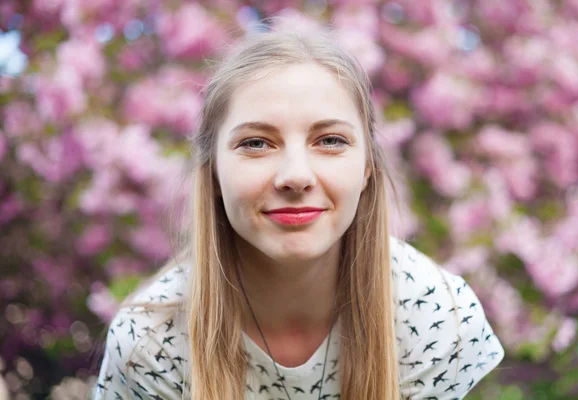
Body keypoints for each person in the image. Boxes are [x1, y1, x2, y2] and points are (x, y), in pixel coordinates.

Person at [93, 26, 504, 400]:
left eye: (329, 140)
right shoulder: (150, 343)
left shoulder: (435, 314)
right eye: (256, 143)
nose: (295, 176)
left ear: (366, 169)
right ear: (214, 173)